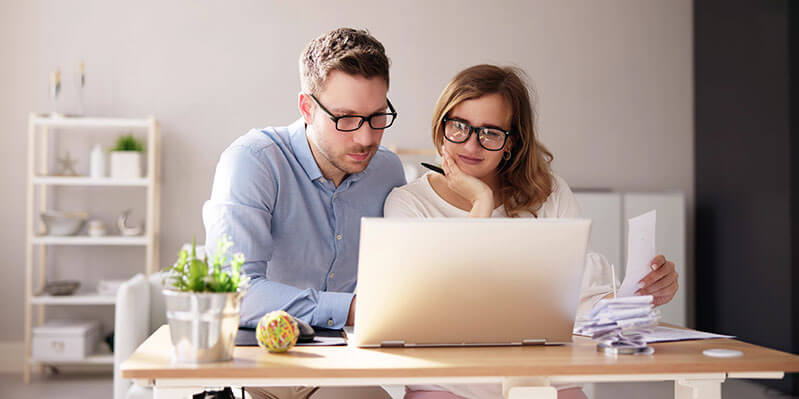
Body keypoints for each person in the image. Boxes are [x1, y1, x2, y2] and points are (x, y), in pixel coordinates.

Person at [384, 64, 679, 399]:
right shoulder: (407, 204)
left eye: (491, 133)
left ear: (511, 143)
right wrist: (482, 202)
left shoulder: (549, 194)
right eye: (459, 127)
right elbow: (441, 308)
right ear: (441, 127)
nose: (471, 145)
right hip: (448, 383)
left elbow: (586, 298)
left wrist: (639, 296)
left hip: (545, 382)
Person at [202, 27, 406, 399]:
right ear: (307, 108)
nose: (365, 138)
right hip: (260, 364)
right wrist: (352, 309)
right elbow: (232, 292)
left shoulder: (388, 171)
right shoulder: (253, 162)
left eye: (377, 117)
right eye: (346, 118)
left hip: (346, 367)